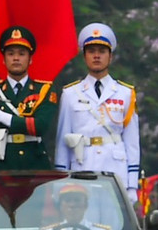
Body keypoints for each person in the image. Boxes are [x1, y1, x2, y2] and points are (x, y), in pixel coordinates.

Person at [54, 23, 141, 198]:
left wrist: (132, 185)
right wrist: (60, 181)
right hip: (82, 169)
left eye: (102, 51)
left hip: (116, 172)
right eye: (91, 51)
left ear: (110, 56)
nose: (96, 56)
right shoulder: (70, 93)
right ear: (84, 56)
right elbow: (62, 141)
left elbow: (132, 142)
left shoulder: (125, 93)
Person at [0, 25, 58, 171]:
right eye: (10, 54)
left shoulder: (44, 90)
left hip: (35, 164)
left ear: (30, 59)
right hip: (3, 166)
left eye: (22, 54)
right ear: (4, 59)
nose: (16, 58)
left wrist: (2, 117)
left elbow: (41, 126)